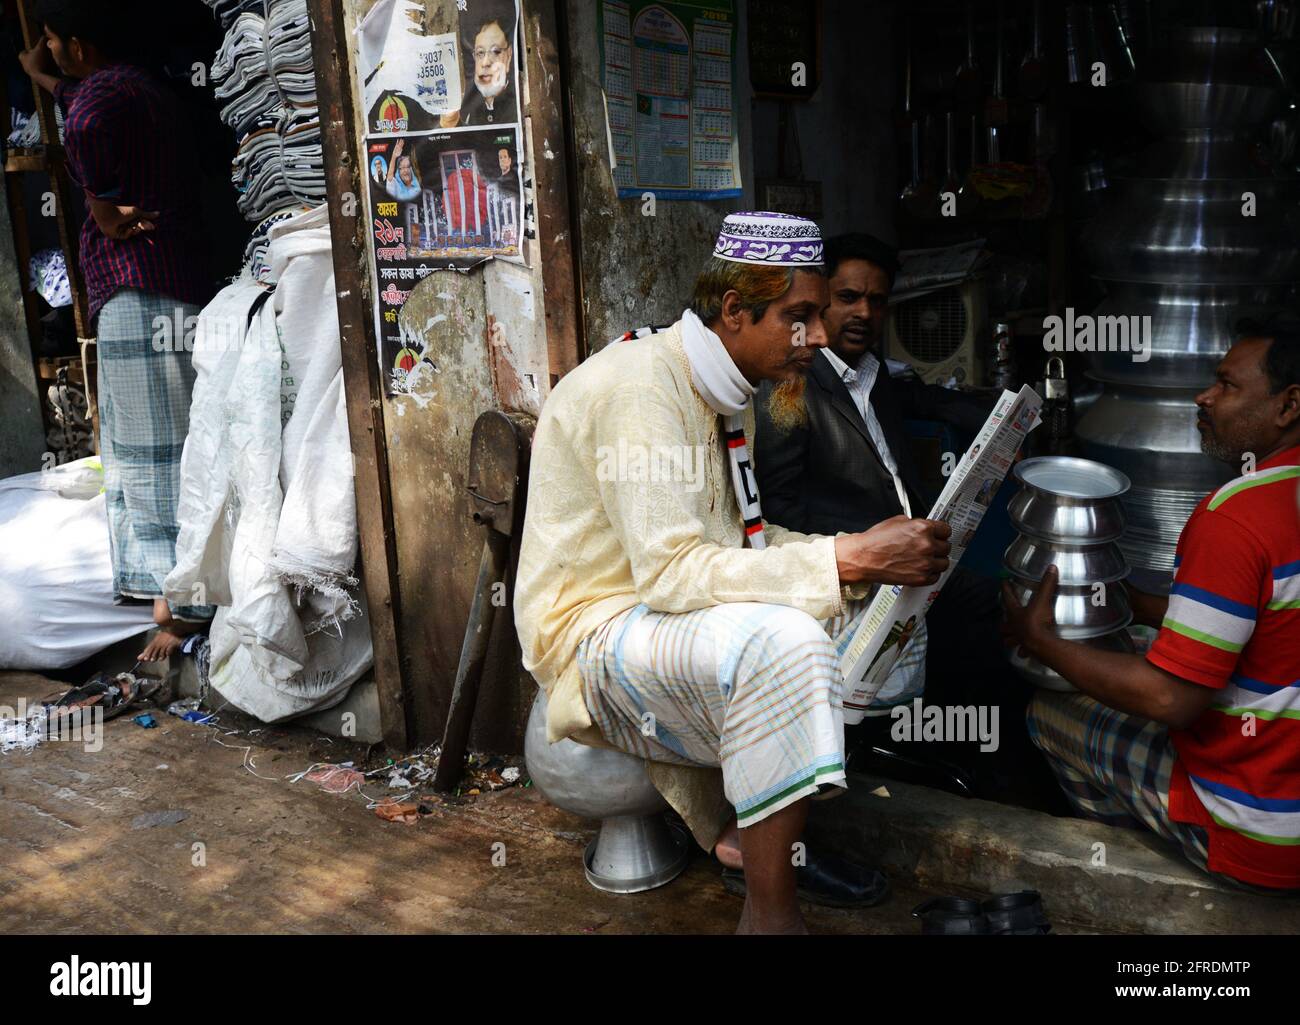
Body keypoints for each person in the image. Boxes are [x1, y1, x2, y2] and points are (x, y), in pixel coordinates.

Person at [514, 212, 954, 933]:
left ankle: (757, 837)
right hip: (593, 632)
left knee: (860, 609)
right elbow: (671, 574)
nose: (814, 336)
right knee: (786, 641)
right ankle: (769, 913)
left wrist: (859, 557)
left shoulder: (730, 390)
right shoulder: (645, 387)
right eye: (798, 316)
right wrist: (844, 557)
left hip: (660, 617)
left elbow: (748, 541)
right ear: (734, 310)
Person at [1004, 316, 1300, 893]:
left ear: (1290, 405)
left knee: (1050, 709)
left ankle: (1137, 875)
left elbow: (1172, 700)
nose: (1204, 396)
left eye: (1227, 385)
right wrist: (1141, 606)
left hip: (1267, 836)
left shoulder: (1237, 516)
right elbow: (1268, 620)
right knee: (1135, 642)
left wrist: (1044, 643)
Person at [21, 0, 214, 662]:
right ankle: (169, 586)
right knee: (154, 444)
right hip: (163, 283)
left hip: (140, 287)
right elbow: (80, 95)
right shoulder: (134, 82)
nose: (48, 50)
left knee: (154, 448)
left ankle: (182, 604)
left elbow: (88, 116)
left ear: (79, 44)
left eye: (52, 40)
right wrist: (41, 74)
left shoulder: (104, 95)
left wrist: (100, 206)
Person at [444, 10, 516, 127]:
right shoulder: (466, 114)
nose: (485, 62)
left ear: (509, 55)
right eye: (480, 53)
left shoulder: (518, 106)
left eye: (495, 51)